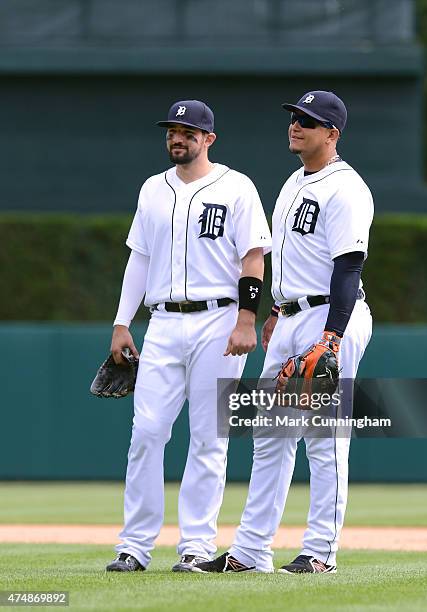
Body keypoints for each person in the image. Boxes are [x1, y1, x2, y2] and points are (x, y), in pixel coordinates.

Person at [194, 90, 373, 574]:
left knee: (323, 437)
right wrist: (275, 309)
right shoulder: (294, 182)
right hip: (293, 315)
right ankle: (251, 553)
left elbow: (348, 268)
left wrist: (332, 337)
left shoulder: (347, 188)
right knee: (272, 436)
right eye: (295, 117)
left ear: (332, 134)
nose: (296, 125)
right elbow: (294, 260)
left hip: (330, 315)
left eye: (309, 121)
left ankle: (320, 552)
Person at [105, 99, 272, 573]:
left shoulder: (236, 186)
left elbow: (253, 258)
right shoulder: (152, 190)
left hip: (219, 323)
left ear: (208, 139)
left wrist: (246, 319)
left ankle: (195, 547)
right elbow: (139, 259)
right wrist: (122, 322)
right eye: (172, 131)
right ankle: (134, 547)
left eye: (188, 131)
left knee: (209, 438)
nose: (178, 138)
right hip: (162, 323)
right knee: (147, 433)